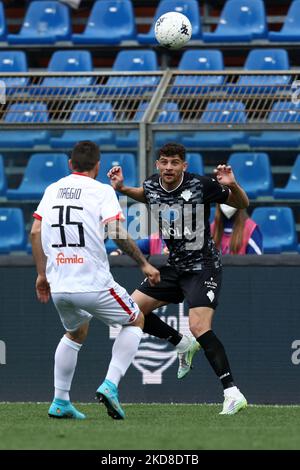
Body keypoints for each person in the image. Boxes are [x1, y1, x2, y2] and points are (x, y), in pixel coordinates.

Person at [108, 142, 249, 415]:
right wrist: (123, 189)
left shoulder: (202, 185)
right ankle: (180, 343)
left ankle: (233, 393)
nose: (169, 167)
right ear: (157, 164)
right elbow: (145, 195)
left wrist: (233, 185)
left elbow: (242, 204)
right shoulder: (151, 185)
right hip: (175, 266)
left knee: (199, 326)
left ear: (184, 165)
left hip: (204, 266)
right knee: (131, 310)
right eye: (164, 162)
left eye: (174, 163)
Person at [30, 141, 162, 421]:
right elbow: (116, 230)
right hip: (93, 282)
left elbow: (35, 230)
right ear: (98, 166)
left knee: (75, 333)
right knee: (136, 319)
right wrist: (144, 263)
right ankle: (110, 385)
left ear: (70, 164)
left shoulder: (52, 190)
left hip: (60, 285)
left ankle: (60, 400)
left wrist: (42, 274)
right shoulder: (102, 191)